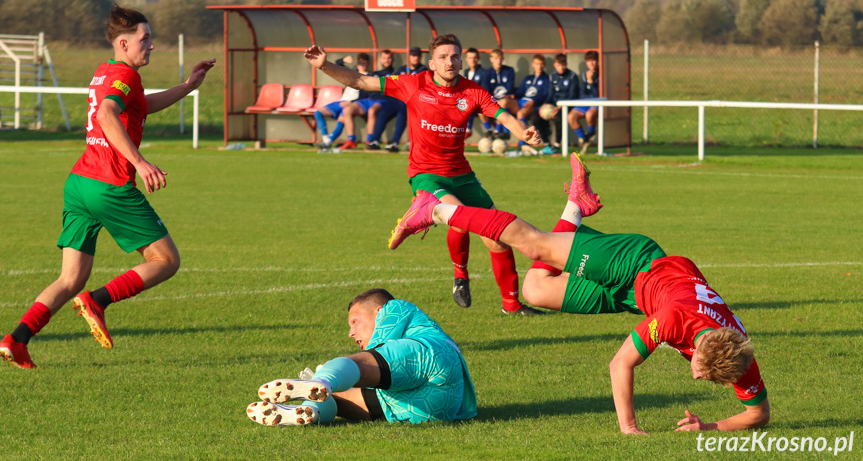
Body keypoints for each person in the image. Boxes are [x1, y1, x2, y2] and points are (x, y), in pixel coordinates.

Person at [389, 155, 770, 434]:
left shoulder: (737, 351)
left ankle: (578, 203)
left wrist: (709, 427)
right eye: (702, 373)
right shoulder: (675, 322)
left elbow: (759, 414)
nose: (697, 378)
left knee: (535, 289)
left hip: (634, 296)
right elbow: (620, 364)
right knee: (535, 246)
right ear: (702, 351)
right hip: (634, 263)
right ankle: (436, 210)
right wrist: (630, 429)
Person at [0, 5, 216, 369]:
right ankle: (98, 300)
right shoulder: (125, 77)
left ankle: (17, 339)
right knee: (165, 261)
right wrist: (140, 163)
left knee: (69, 278)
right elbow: (106, 115)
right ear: (123, 43)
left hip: (79, 183)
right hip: (108, 185)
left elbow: (139, 107)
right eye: (144, 39)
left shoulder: (107, 72)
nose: (152, 45)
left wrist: (187, 86)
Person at [304, 34, 544, 315]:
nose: (450, 62)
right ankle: (460, 276)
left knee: (496, 237)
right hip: (426, 174)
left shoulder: (472, 92)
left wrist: (523, 133)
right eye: (443, 57)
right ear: (432, 63)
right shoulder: (413, 83)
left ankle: (512, 306)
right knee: (459, 215)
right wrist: (325, 65)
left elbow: (504, 116)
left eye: (455, 56)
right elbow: (360, 81)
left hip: (461, 173)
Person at [245, 288, 477, 426]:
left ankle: (319, 382)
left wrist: (327, 373)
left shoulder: (395, 307)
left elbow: (367, 361)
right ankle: (309, 412)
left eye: (355, 321)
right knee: (336, 396)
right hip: (437, 409)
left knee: (357, 366)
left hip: (429, 355)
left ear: (378, 311)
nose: (351, 332)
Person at [367, 47, 424, 152]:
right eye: (413, 55)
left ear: (421, 57)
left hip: (413, 101)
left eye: (418, 55)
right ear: (409, 57)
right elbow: (392, 83)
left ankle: (395, 142)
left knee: (402, 111)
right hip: (397, 99)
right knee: (383, 112)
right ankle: (374, 141)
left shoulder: (423, 70)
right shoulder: (401, 70)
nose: (415, 58)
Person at [338, 50, 393, 150]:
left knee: (372, 111)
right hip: (367, 100)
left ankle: (370, 141)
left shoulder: (394, 73)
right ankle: (351, 140)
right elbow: (339, 67)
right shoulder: (374, 73)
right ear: (380, 59)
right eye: (384, 58)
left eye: (388, 58)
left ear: (392, 59)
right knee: (347, 110)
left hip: (382, 101)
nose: (386, 60)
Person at [499, 54, 550, 156]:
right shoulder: (528, 78)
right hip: (520, 101)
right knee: (503, 102)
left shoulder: (547, 79)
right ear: (533, 65)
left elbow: (546, 94)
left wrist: (534, 101)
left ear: (544, 65)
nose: (539, 66)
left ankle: (523, 143)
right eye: (537, 64)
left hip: (532, 105)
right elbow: (520, 92)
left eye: (541, 64)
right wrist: (512, 95)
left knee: (521, 113)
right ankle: (506, 132)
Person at [315, 54, 369, 149]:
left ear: (368, 63)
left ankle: (328, 143)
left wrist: (353, 102)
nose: (361, 64)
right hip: (341, 101)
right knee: (318, 113)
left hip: (352, 104)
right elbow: (337, 65)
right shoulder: (352, 73)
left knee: (341, 122)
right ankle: (325, 139)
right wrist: (344, 59)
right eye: (360, 61)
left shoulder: (370, 77)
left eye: (364, 62)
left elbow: (367, 95)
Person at [536, 53, 578, 155]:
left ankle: (557, 144)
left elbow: (573, 95)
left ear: (566, 64)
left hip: (567, 105)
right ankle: (546, 143)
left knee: (559, 117)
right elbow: (550, 95)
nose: (561, 67)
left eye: (563, 65)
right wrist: (545, 105)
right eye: (558, 65)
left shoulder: (572, 76)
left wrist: (560, 107)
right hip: (554, 106)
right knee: (536, 117)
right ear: (555, 65)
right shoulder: (552, 77)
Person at [481, 49, 517, 140]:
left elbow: (510, 89)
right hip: (493, 101)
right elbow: (486, 91)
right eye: (496, 58)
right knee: (479, 106)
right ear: (491, 59)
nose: (498, 61)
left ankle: (499, 131)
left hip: (507, 101)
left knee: (502, 103)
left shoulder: (509, 70)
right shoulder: (487, 73)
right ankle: (489, 131)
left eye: (500, 58)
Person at [567, 50, 601, 146]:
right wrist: (588, 80)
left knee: (590, 114)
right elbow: (582, 93)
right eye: (589, 61)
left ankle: (591, 133)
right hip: (585, 101)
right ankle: (585, 139)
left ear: (598, 61)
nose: (591, 63)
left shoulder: (602, 74)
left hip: (598, 102)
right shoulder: (584, 74)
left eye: (594, 60)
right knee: (571, 117)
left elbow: (597, 95)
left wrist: (590, 81)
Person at [462, 47, 491, 138]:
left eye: (474, 58)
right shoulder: (466, 72)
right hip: (468, 101)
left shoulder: (484, 72)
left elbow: (484, 89)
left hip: (480, 101)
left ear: (478, 58)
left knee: (472, 107)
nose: (472, 60)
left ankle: (488, 130)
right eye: (470, 58)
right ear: (466, 59)